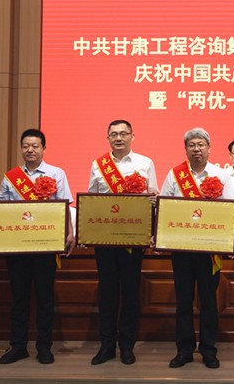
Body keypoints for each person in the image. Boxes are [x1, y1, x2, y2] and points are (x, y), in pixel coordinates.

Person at [0, 128, 75, 365]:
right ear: (21, 149)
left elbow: (64, 205)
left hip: (45, 245)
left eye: (35, 146)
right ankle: (18, 346)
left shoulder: (56, 173)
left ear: (43, 148)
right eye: (26, 146)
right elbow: (1, 210)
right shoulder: (11, 177)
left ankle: (44, 347)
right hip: (17, 247)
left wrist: (69, 233)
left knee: (45, 297)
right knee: (19, 297)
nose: (30, 150)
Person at [160, 128, 234, 369]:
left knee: (209, 301)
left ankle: (208, 350)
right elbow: (164, 208)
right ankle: (184, 350)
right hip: (181, 249)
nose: (196, 149)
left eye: (201, 144)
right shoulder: (175, 175)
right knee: (183, 301)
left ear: (209, 148)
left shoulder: (221, 175)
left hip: (209, 251)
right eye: (192, 145)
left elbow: (231, 209)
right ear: (185, 149)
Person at [88, 120, 158, 366]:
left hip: (132, 239)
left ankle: (127, 346)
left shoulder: (145, 163)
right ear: (108, 137)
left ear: (132, 136)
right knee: (107, 293)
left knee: (130, 293)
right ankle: (106, 346)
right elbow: (91, 199)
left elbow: (153, 197)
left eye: (123, 134)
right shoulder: (98, 165)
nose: (118, 138)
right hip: (105, 238)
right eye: (113, 134)